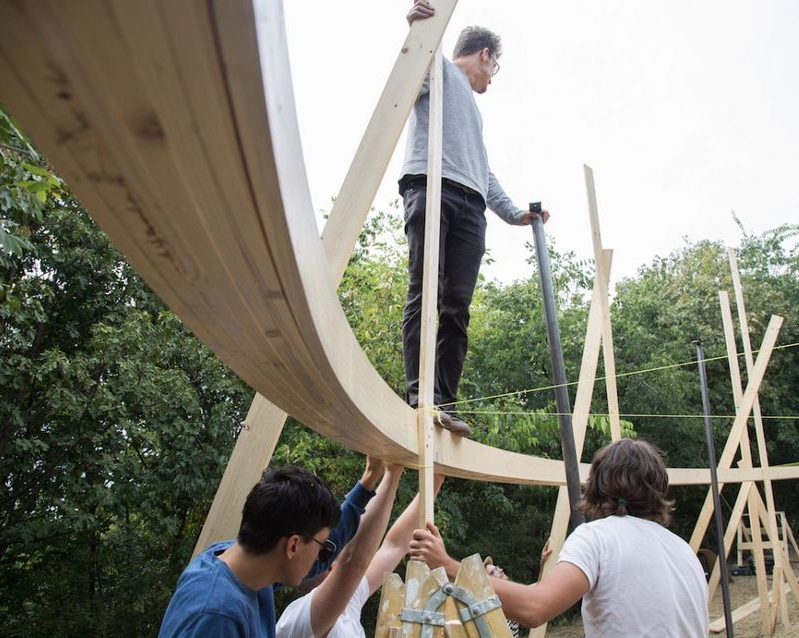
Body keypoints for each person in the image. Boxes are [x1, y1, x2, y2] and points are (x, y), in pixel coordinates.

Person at [401, 0, 550, 438]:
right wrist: (416, 31)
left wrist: (515, 213)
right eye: (495, 66)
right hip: (430, 185)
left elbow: (484, 170)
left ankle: (444, 401)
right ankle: (419, 395)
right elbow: (409, 72)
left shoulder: (474, 111)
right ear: (485, 54)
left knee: (457, 305)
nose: (491, 78)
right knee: (426, 288)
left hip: (471, 206)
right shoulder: (441, 69)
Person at [409, 439, 709, 637]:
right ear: (658, 488)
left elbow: (535, 608)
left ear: (598, 486)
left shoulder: (598, 538)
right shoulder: (683, 550)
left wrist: (449, 566)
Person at [159, 460, 384, 637]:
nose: (324, 558)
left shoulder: (242, 563)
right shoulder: (218, 617)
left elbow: (319, 553)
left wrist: (369, 479)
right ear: (293, 545)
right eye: (322, 548)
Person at [276, 473, 445, 638]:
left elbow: (394, 546)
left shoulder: (348, 602)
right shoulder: (303, 617)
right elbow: (354, 561)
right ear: (333, 568)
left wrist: (428, 479)